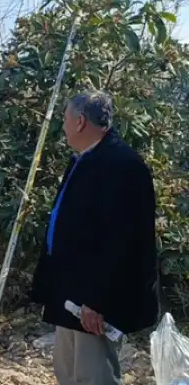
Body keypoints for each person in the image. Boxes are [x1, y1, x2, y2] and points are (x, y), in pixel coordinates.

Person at [29, 91, 159, 385]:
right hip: (71, 294)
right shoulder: (85, 159)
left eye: (64, 118)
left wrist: (96, 300)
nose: (62, 126)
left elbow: (123, 243)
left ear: (79, 122)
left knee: (94, 376)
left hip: (94, 302)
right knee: (69, 372)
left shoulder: (121, 166)